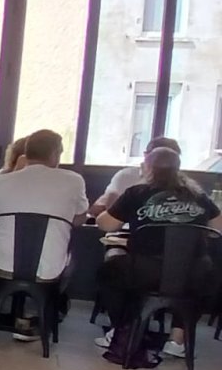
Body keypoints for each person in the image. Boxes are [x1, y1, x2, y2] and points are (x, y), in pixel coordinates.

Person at [94, 147, 222, 357]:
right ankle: (177, 339)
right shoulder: (198, 196)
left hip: (145, 271)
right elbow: (219, 226)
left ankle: (122, 330)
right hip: (191, 273)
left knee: (108, 272)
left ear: (148, 168)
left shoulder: (136, 193)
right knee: (205, 278)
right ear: (178, 168)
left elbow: (106, 224)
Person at [0, 131, 88, 341]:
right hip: (50, 265)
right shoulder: (73, 180)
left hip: (2, 262)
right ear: (55, 154)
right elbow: (80, 218)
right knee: (68, 266)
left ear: (25, 153)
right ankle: (32, 316)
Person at [90, 137, 182, 216]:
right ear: (146, 156)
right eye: (160, 157)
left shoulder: (184, 185)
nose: (165, 164)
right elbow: (105, 210)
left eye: (172, 158)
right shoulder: (126, 176)